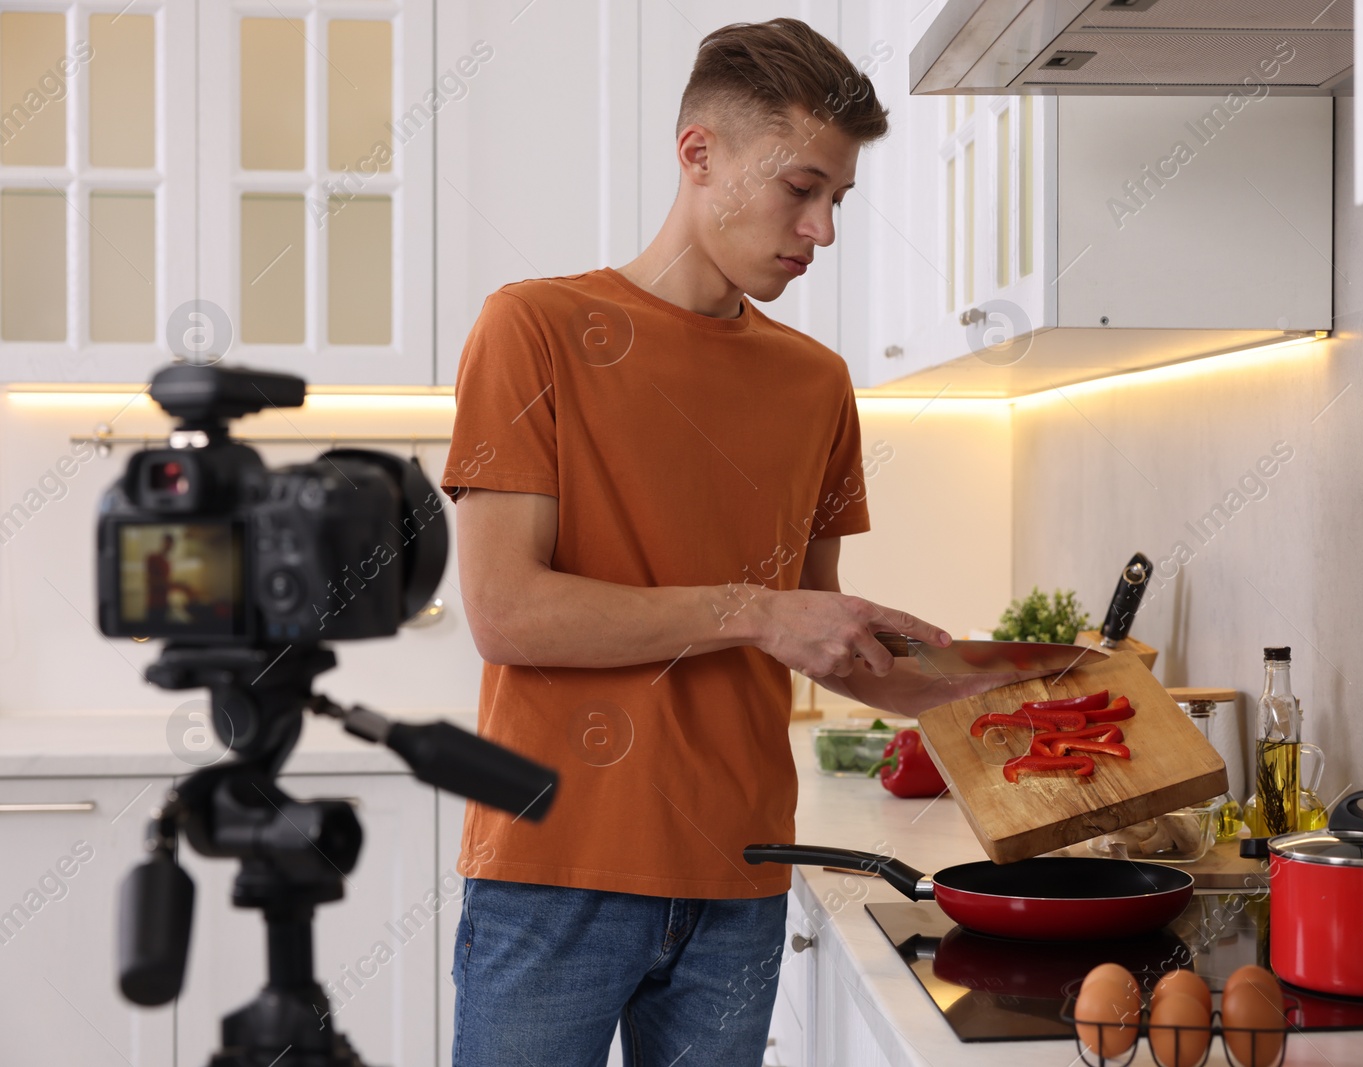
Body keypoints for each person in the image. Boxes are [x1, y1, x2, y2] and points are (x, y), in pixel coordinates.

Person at [438, 18, 1052, 1066]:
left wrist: (998, 686)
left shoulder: (815, 382)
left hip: (741, 877)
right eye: (800, 189)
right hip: (556, 873)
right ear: (699, 154)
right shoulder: (531, 328)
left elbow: (816, 631)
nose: (820, 230)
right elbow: (506, 612)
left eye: (837, 201)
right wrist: (758, 609)